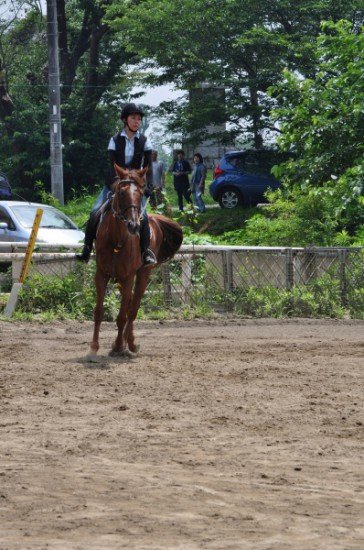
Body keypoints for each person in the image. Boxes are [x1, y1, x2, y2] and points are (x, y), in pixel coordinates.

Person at [76, 102, 156, 265]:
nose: (137, 122)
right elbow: (112, 165)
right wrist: (115, 184)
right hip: (114, 182)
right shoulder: (114, 140)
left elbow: (149, 166)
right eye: (133, 118)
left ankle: (146, 252)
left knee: (144, 218)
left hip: (134, 186)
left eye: (139, 119)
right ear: (125, 120)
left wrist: (149, 185)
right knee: (94, 212)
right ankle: (86, 248)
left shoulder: (145, 141)